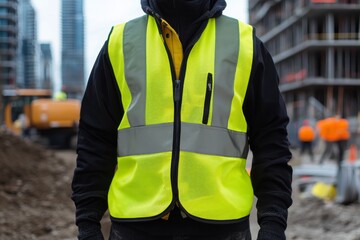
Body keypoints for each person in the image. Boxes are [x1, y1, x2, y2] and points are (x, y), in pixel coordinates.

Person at [71, 1, 293, 239]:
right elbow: (94, 139)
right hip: (135, 227)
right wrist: (87, 222)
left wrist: (272, 224)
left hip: (222, 228)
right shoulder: (121, 43)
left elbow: (272, 140)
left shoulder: (244, 45)